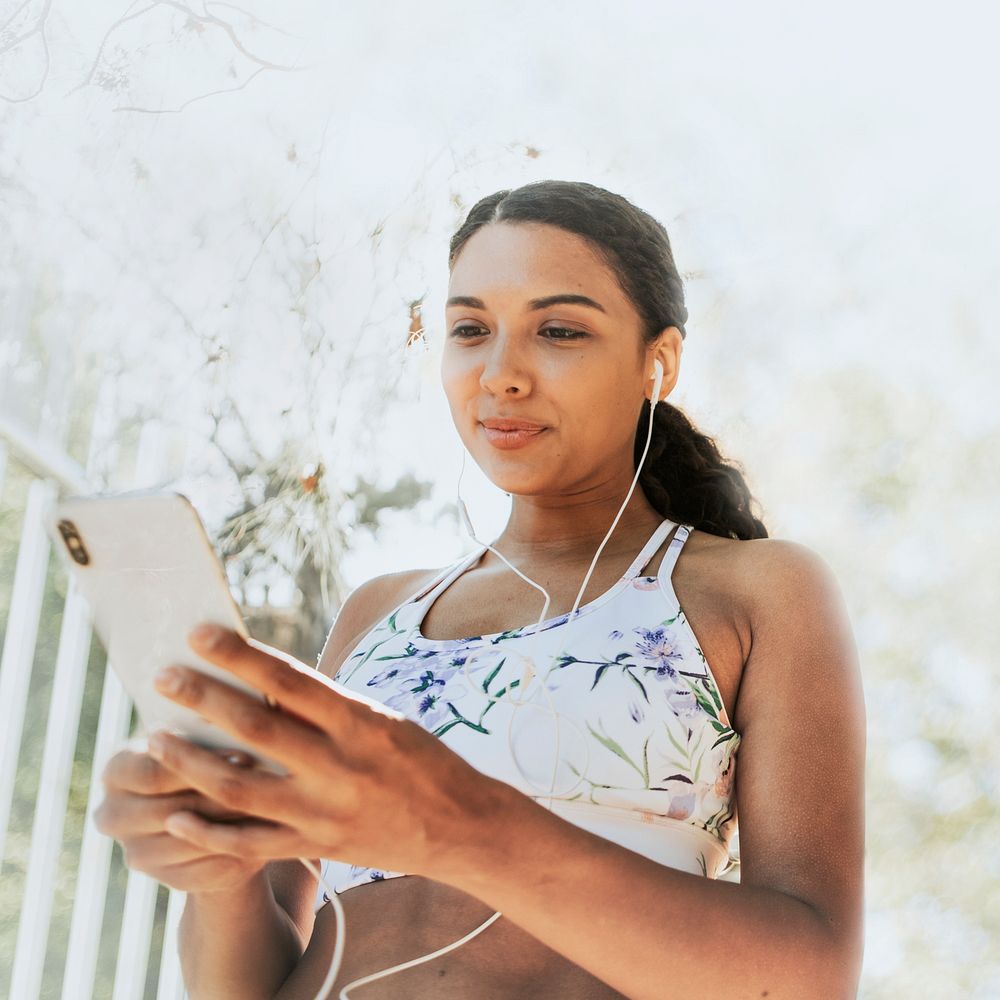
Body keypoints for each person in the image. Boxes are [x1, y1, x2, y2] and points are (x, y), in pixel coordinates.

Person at [95, 179, 866, 999]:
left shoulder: (756, 591)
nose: (500, 375)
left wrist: (459, 827)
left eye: (559, 330)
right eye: (470, 330)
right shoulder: (378, 611)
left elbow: (810, 974)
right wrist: (216, 875)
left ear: (658, 361)